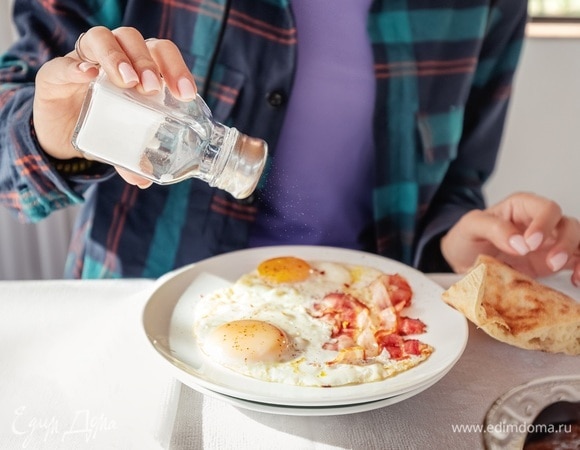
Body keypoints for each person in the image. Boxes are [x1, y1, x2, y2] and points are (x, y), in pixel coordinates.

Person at [0, 0, 579, 284]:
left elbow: (457, 184)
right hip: (143, 320)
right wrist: (52, 129)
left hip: (364, 334)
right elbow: (10, 160)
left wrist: (460, 248)